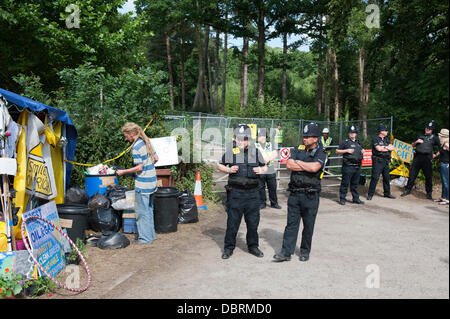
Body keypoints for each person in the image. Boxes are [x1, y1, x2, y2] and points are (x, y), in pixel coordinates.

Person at [273, 123, 326, 263]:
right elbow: (289, 164)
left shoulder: (321, 152)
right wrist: (304, 164)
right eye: (304, 136)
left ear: (315, 138)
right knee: (291, 225)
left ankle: (304, 251)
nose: (305, 139)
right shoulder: (297, 149)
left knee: (308, 226)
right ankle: (286, 252)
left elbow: (315, 168)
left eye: (308, 137)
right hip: (295, 194)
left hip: (311, 195)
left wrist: (299, 162)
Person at [216, 124, 268, 259]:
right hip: (236, 194)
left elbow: (265, 166)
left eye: (244, 138)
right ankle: (228, 248)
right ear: (235, 139)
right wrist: (228, 170)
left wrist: (262, 170)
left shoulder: (255, 152)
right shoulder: (231, 152)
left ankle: (253, 247)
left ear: (248, 139)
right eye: (238, 138)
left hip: (253, 194)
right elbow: (218, 164)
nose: (241, 141)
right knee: (232, 223)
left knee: (253, 223)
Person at [117, 122, 159, 245]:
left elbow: (139, 168)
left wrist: (123, 171)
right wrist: (148, 167)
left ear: (132, 134)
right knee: (149, 210)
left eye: (126, 136)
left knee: (141, 212)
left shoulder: (136, 147)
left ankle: (145, 239)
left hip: (143, 184)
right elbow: (156, 159)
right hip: (152, 182)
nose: (125, 138)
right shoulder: (147, 141)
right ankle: (150, 235)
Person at [401, 121, 441, 200]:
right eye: (427, 128)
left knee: (428, 177)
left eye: (429, 129)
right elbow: (412, 145)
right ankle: (407, 190)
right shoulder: (420, 135)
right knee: (412, 175)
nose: (427, 129)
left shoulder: (435, 138)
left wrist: (435, 155)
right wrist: (416, 142)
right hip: (417, 157)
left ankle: (429, 193)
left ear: (432, 129)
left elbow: (441, 148)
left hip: (427, 158)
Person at [336, 125, 365, 205]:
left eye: (354, 132)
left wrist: (362, 151)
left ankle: (355, 198)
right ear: (348, 133)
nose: (352, 134)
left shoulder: (358, 142)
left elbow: (360, 150)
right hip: (348, 166)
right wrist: (346, 150)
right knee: (345, 183)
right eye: (351, 133)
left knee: (355, 184)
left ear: (356, 133)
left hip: (357, 166)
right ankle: (342, 199)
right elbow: (337, 151)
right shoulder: (345, 142)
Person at [367, 124, 396, 200]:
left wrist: (384, 148)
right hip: (378, 161)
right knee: (375, 178)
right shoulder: (375, 139)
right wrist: (387, 148)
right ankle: (370, 194)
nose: (387, 132)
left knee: (386, 178)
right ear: (381, 131)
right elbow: (378, 149)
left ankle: (387, 193)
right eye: (386, 130)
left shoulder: (387, 139)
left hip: (386, 161)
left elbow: (392, 148)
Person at [256, 128, 282, 210]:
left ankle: (274, 203)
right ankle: (262, 203)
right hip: (261, 169)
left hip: (270, 169)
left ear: (264, 136)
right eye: (258, 135)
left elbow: (275, 154)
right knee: (261, 187)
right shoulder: (255, 145)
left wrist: (266, 160)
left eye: (260, 135)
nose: (259, 137)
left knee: (272, 187)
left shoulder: (270, 144)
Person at [436, 129, 449, 205]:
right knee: (444, 182)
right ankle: (443, 197)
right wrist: (434, 155)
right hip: (442, 164)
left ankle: (448, 199)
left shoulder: (447, 144)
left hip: (446, 165)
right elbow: (440, 152)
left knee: (447, 182)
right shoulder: (444, 144)